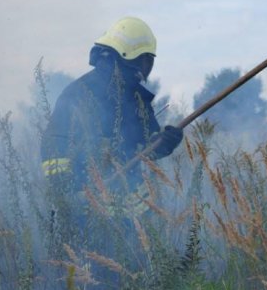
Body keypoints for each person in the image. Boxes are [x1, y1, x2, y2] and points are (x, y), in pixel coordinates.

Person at [41, 16, 183, 200]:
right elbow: (53, 148)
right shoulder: (78, 94)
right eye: (143, 60)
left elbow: (146, 147)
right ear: (126, 55)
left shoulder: (137, 98)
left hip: (130, 215)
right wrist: (74, 195)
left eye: (148, 61)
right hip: (85, 212)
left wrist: (165, 142)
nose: (145, 68)